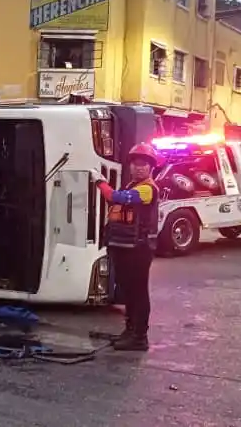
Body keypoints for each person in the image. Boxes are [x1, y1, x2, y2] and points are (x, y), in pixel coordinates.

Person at [90, 143, 160, 352]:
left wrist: (100, 182)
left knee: (138, 293)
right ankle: (130, 331)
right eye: (136, 164)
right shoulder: (131, 185)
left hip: (138, 250)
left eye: (144, 165)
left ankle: (139, 337)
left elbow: (116, 198)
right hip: (125, 247)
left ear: (151, 168)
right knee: (129, 292)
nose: (139, 168)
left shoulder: (148, 189)